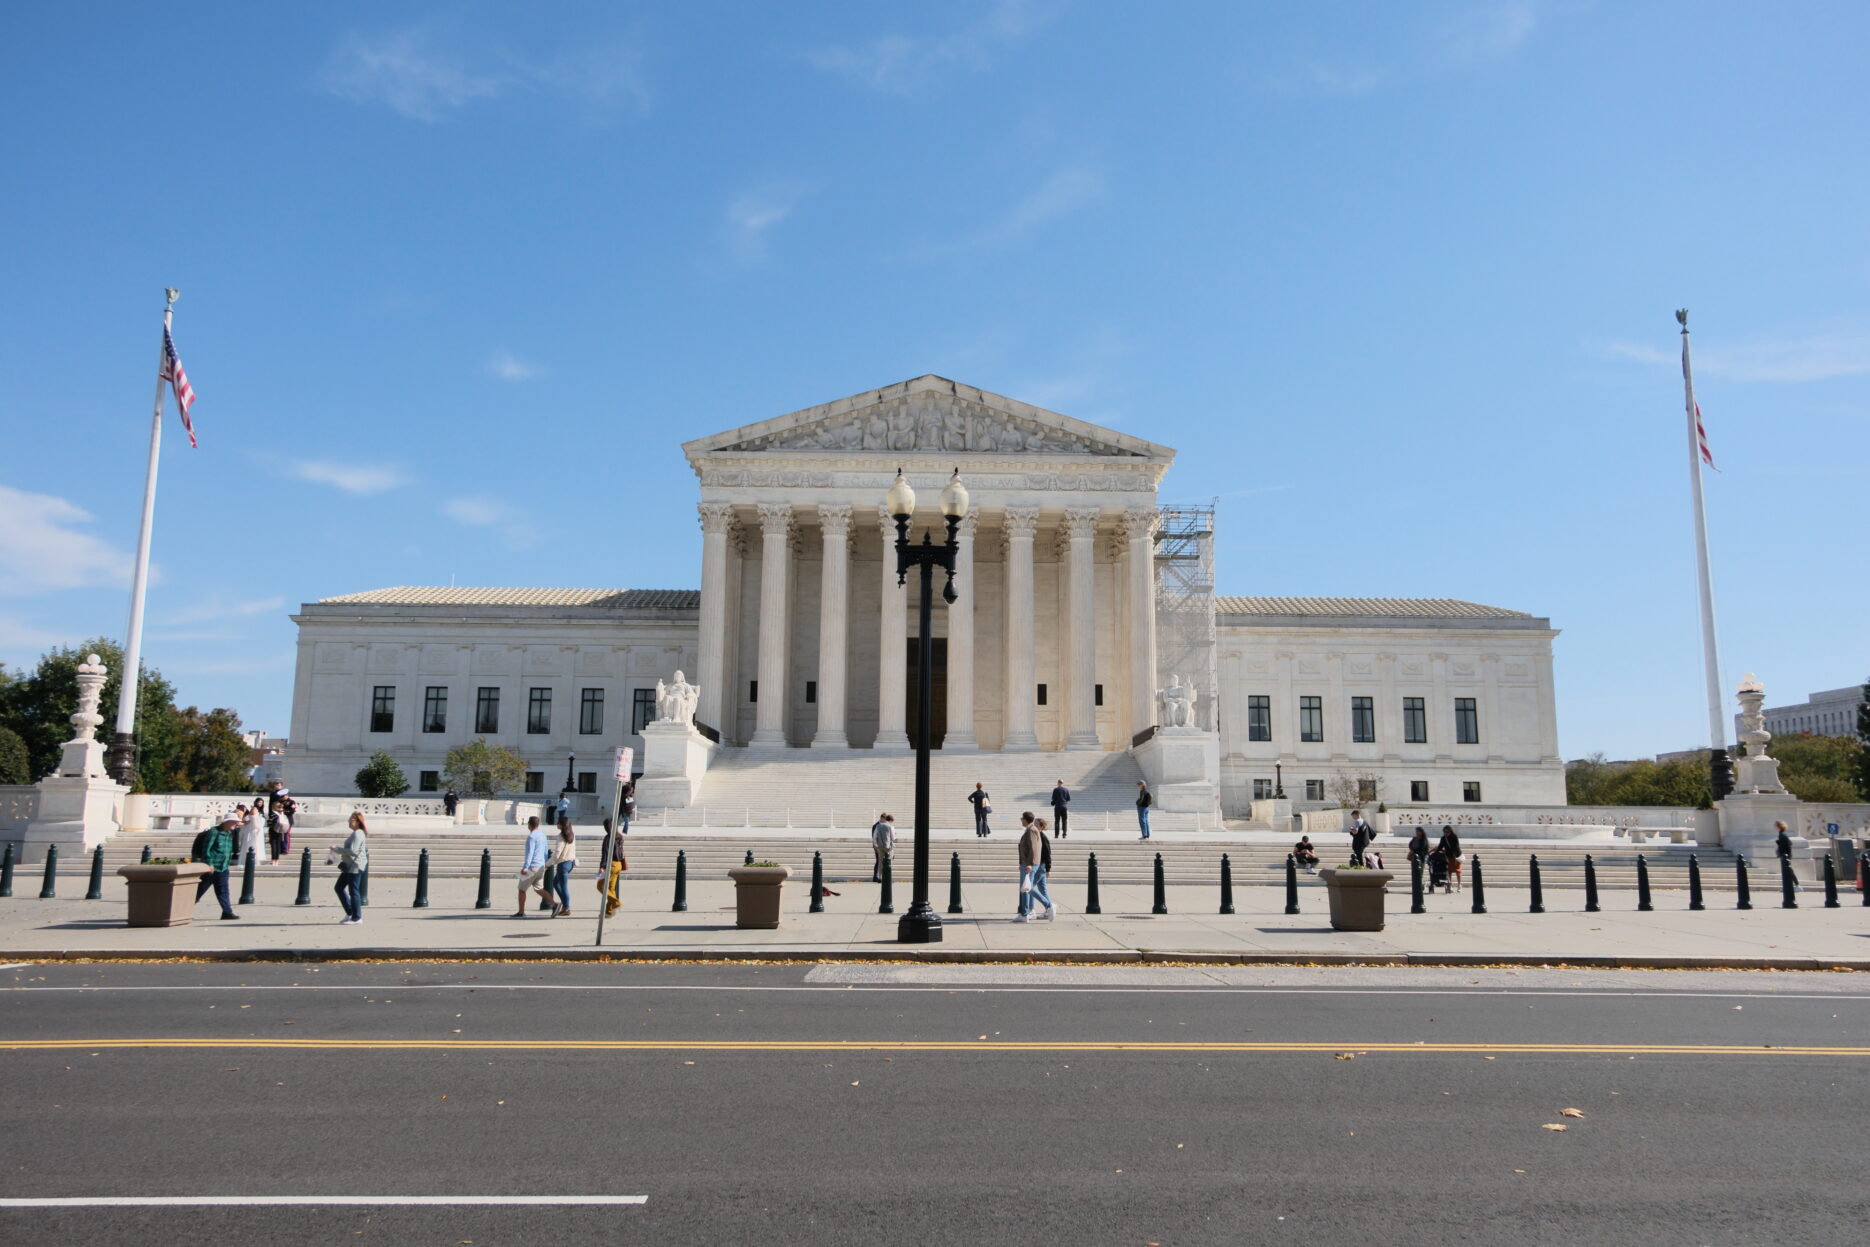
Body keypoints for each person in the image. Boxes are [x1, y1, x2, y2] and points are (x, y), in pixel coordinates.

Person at [190, 817, 240, 919]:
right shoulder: (214, 832)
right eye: (235, 821)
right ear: (227, 821)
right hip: (211, 867)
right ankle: (183, 909)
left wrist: (227, 863)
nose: (237, 823)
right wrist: (209, 863)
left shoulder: (229, 833)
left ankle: (227, 912)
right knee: (199, 890)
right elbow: (206, 848)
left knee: (223, 890)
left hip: (223, 867)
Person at [1015, 813, 1056, 922]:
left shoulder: (1032, 830)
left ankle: (1048, 905)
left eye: (1022, 818)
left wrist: (1029, 864)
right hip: (1028, 864)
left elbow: (1034, 849)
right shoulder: (1030, 829)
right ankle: (1025, 913)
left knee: (1027, 888)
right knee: (1027, 888)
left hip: (1030, 864)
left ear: (1026, 820)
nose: (1021, 820)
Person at [331, 812, 369, 925]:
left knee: (354, 891)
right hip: (350, 865)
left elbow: (353, 851)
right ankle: (350, 912)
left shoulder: (358, 833)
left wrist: (337, 849)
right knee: (339, 887)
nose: (349, 821)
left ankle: (357, 917)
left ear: (357, 822)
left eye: (351, 820)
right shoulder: (356, 833)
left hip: (355, 865)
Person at [515, 816, 551, 918]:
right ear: (538, 824)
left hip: (532, 867)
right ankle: (555, 904)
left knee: (522, 889)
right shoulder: (543, 835)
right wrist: (545, 864)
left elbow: (529, 853)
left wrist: (525, 867)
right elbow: (545, 851)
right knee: (539, 889)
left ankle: (521, 912)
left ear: (529, 825)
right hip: (540, 866)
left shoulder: (532, 837)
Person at [547, 819, 577, 917]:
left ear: (562, 825)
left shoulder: (561, 836)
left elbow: (557, 853)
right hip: (570, 862)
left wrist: (547, 864)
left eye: (558, 822)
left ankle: (566, 907)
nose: (556, 824)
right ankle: (565, 906)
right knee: (556, 883)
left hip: (563, 864)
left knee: (563, 887)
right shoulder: (572, 834)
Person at [598, 817, 627, 917]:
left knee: (600, 886)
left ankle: (616, 902)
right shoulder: (620, 836)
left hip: (610, 865)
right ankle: (608, 911)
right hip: (618, 864)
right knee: (611, 888)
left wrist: (602, 866)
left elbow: (605, 853)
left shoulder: (608, 838)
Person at [238, 802, 265, 870]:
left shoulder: (255, 817)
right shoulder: (253, 817)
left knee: (253, 846)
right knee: (251, 846)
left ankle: (252, 860)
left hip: (253, 833)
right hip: (251, 833)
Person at [870, 813, 895, 883]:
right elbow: (893, 838)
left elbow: (874, 837)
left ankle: (879, 877)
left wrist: (875, 844)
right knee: (888, 862)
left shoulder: (877, 826)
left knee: (880, 862)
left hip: (879, 846)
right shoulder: (890, 826)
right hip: (888, 847)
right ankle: (888, 877)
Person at [1436, 825, 1463, 889]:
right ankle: (1450, 884)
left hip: (1456, 856)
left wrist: (1454, 855)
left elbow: (1456, 847)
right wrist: (1436, 851)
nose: (1446, 833)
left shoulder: (1454, 837)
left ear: (1450, 831)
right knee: (1449, 871)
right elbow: (1440, 846)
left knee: (1457, 871)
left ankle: (1459, 885)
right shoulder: (1443, 838)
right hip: (1448, 856)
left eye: (1447, 832)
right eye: (1445, 832)